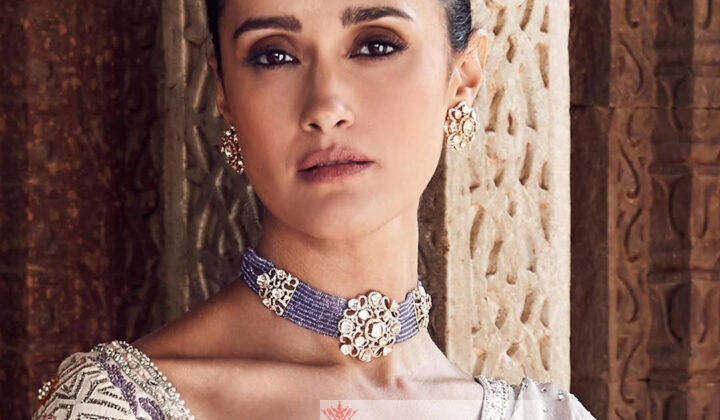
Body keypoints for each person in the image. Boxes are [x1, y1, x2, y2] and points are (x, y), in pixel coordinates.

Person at [32, 0, 595, 419]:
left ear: (463, 78)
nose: (326, 105)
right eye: (274, 55)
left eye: (376, 45)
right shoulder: (117, 407)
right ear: (224, 91)